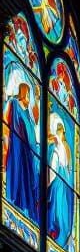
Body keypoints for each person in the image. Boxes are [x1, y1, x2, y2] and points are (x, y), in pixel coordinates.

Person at [3, 79, 39, 224]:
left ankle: (26, 210)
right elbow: (9, 122)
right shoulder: (14, 104)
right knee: (18, 176)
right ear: (23, 93)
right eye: (28, 94)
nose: (29, 98)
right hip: (17, 148)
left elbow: (32, 133)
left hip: (27, 153)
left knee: (27, 181)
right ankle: (15, 204)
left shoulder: (27, 114)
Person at [46, 116, 74, 247]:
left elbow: (53, 170)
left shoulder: (57, 148)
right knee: (61, 214)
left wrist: (46, 185)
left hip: (58, 186)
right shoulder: (65, 148)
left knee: (57, 213)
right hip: (64, 188)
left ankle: (55, 236)